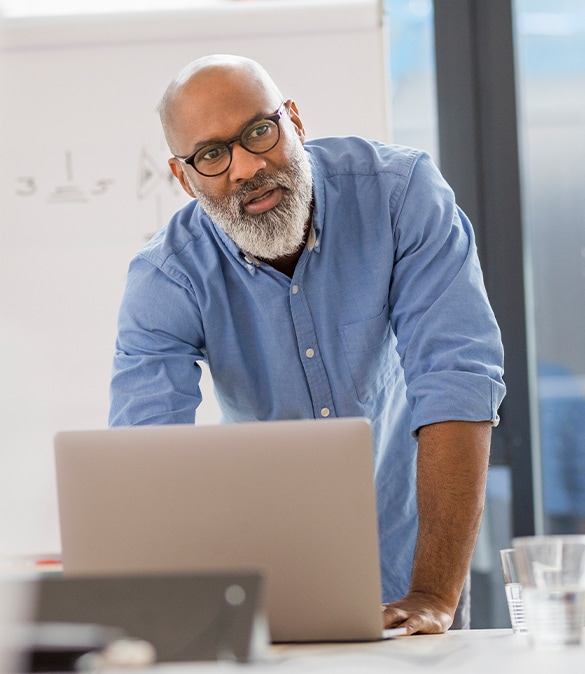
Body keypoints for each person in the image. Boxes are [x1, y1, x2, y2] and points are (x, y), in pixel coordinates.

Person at [109, 54, 506, 635]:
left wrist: (432, 592)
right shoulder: (167, 276)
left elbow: (456, 378)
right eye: (212, 155)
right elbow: (146, 459)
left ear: (293, 120)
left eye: (258, 132)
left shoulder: (401, 196)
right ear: (184, 177)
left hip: (418, 561)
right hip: (262, 586)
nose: (245, 168)